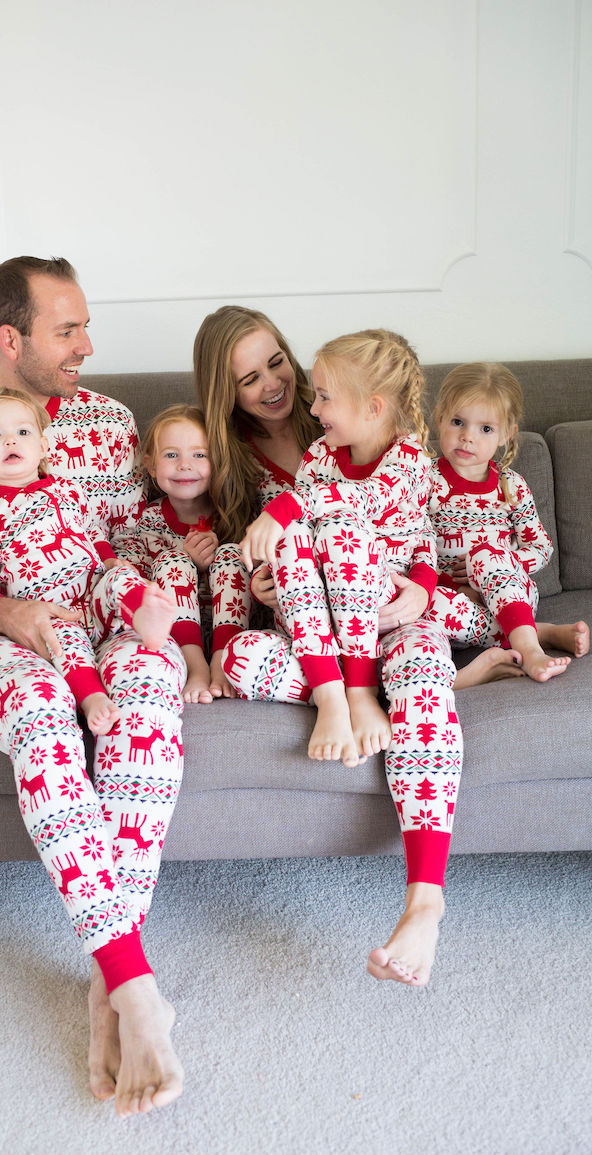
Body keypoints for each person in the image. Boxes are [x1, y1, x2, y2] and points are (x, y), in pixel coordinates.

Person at [0, 256, 185, 1117]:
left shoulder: (109, 423)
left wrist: (152, 602)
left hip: (104, 616)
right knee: (48, 713)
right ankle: (134, 984)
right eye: (67, 330)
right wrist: (5, 614)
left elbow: (139, 538)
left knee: (145, 695)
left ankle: (107, 981)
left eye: (84, 325)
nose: (88, 344)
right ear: (10, 339)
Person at [224, 328, 464, 987]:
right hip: (319, 633)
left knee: (426, 674)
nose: (315, 407)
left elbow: (383, 523)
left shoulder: (411, 458)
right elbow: (314, 521)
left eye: (326, 397)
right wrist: (265, 571)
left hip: (388, 622)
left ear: (376, 407)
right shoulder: (321, 457)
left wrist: (421, 585)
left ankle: (424, 900)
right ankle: (341, 692)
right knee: (241, 657)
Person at [0, 386, 176, 735]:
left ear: (43, 446)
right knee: (59, 639)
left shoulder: (68, 490)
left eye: (23, 432)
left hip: (94, 592)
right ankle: (92, 698)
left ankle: (147, 619)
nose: (10, 441)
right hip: (52, 610)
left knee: (123, 578)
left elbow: (92, 532)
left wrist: (109, 562)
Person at [427, 362, 590, 679]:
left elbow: (541, 549)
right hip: (455, 602)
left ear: (507, 433)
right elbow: (409, 545)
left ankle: (530, 652)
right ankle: (537, 633)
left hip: (511, 590)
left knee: (485, 554)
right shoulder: (425, 481)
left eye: (485, 429)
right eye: (458, 422)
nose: (467, 437)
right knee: (415, 603)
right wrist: (450, 585)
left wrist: (501, 560)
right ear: (439, 418)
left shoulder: (511, 486)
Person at [193, 305, 323, 637]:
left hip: (358, 583)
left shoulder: (333, 418)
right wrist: (257, 582)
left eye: (276, 362)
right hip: (292, 611)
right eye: (250, 379)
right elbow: (233, 546)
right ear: (227, 393)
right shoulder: (226, 457)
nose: (272, 384)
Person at [133, 404, 252, 701]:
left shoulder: (235, 516)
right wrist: (188, 560)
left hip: (236, 629)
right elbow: (140, 582)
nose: (185, 465)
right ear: (151, 465)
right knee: (172, 560)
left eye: (199, 455)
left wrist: (212, 561)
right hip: (179, 634)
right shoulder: (148, 521)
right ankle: (194, 665)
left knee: (231, 554)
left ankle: (223, 660)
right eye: (171, 455)